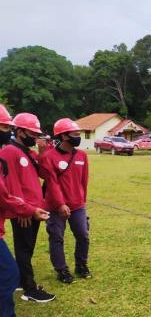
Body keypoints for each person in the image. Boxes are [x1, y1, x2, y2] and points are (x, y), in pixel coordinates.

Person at [0, 105, 49, 317]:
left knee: (25, 251)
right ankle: (27, 289)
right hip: (24, 211)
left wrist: (42, 150)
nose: (35, 136)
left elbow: (45, 173)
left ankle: (23, 284)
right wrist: (22, 209)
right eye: (32, 133)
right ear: (20, 131)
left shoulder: (27, 152)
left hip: (30, 209)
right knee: (18, 257)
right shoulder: (9, 150)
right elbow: (9, 185)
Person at [39, 118, 92, 283]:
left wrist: (82, 203)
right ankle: (61, 270)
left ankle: (81, 265)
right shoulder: (50, 156)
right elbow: (52, 183)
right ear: (63, 136)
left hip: (77, 206)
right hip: (55, 206)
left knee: (83, 235)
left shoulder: (82, 155)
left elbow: (84, 181)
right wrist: (61, 203)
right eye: (75, 134)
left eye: (79, 133)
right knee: (57, 238)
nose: (78, 136)